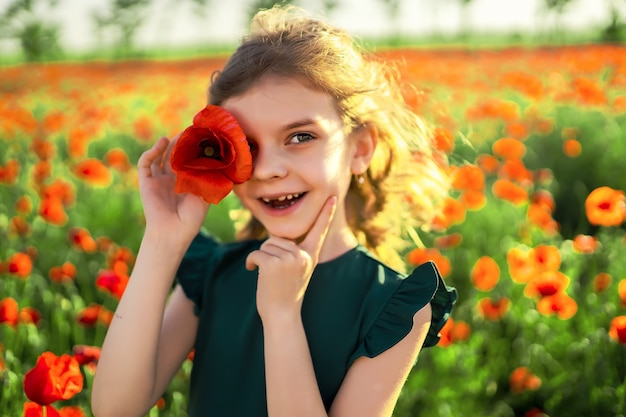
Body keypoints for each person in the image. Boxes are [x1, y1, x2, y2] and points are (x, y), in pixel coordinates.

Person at [91, 4, 457, 417]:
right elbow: (114, 409)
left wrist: (282, 317)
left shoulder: (391, 305)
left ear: (360, 148)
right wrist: (164, 238)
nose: (266, 169)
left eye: (300, 136)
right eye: (246, 146)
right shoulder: (215, 274)